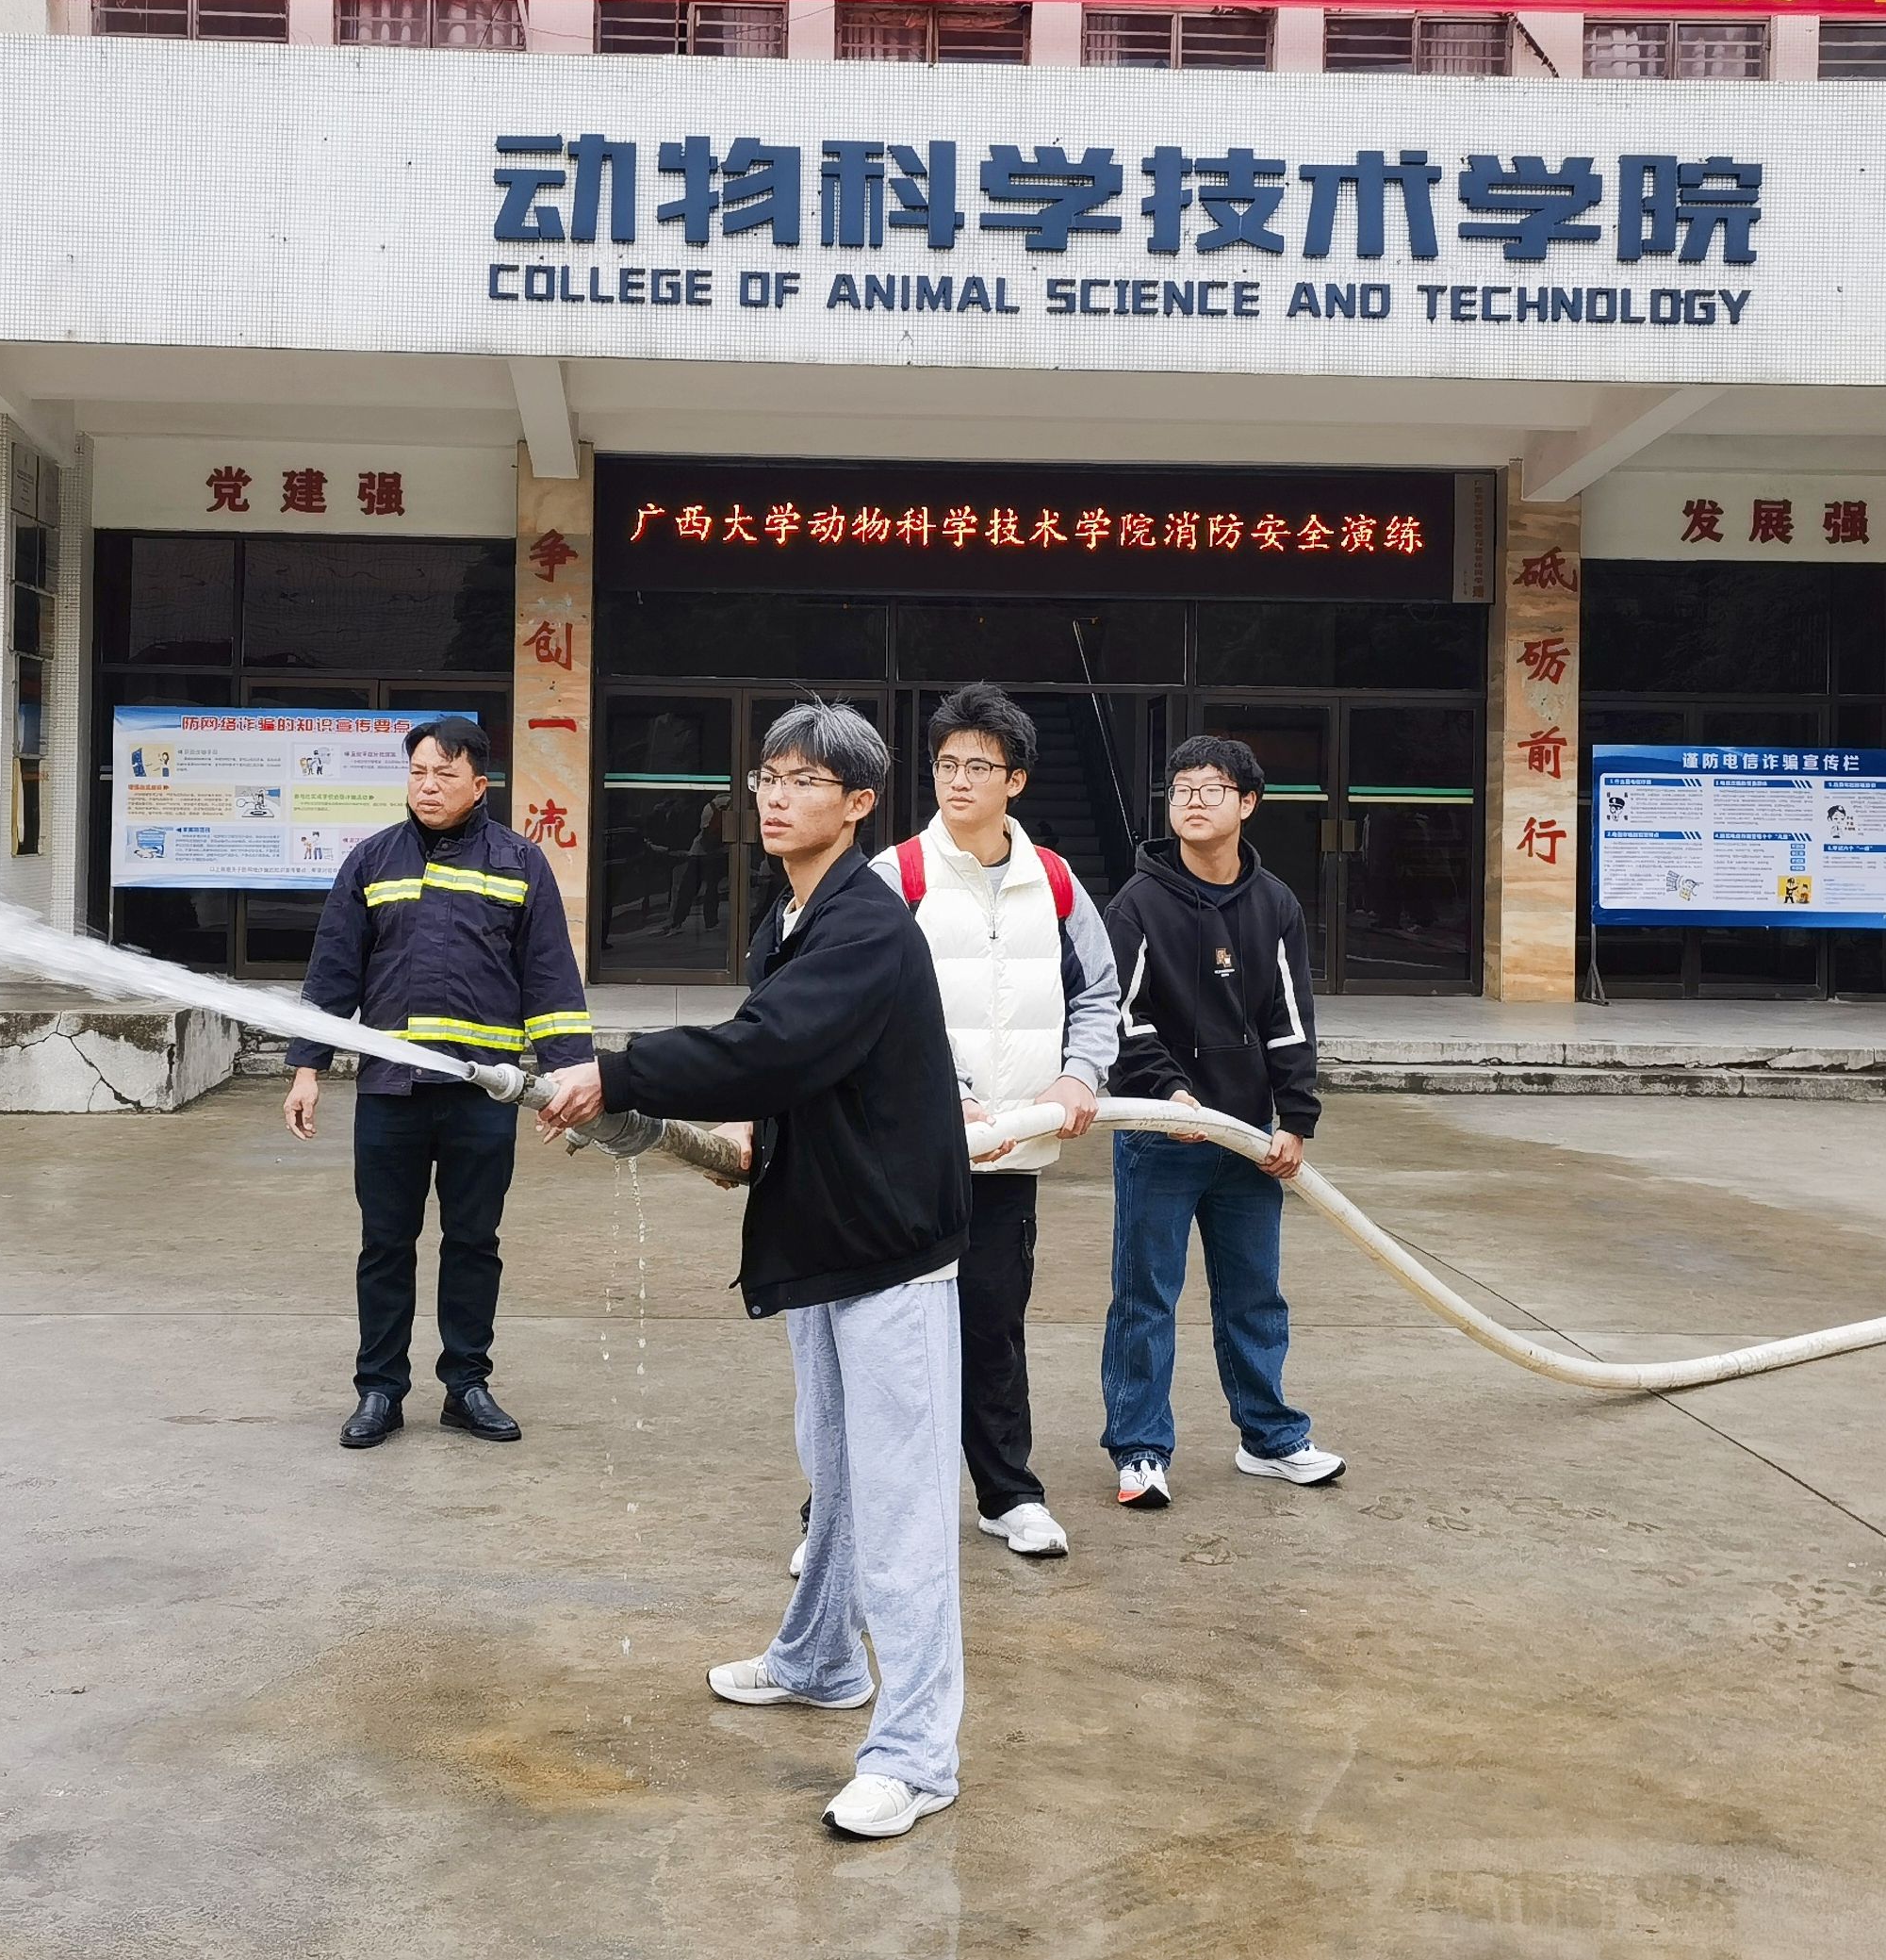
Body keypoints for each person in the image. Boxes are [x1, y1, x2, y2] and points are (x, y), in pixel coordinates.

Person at [538, 701, 971, 1842]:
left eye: (803, 780)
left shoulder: (865, 925)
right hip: (819, 1237)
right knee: (836, 1474)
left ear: (859, 804)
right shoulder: (791, 916)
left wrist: (620, 1073)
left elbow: (774, 1047)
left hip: (886, 1251)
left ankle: (916, 1756)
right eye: (766, 776)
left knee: (903, 1514)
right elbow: (790, 1071)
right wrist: (729, 1136)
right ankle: (821, 1658)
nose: (775, 797)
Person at [284, 716, 592, 1451]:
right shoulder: (371, 861)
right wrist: (306, 1068)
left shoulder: (519, 863)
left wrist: (568, 1078)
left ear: (479, 784)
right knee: (385, 1243)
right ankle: (380, 1390)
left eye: (444, 775)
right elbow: (333, 970)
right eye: (418, 772)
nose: (427, 786)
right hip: (390, 1093)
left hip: (483, 1098)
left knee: (474, 1241)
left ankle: (466, 1385)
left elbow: (549, 976)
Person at [882, 684, 1121, 1561]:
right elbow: (868, 1006)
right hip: (909, 1156)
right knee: (886, 1341)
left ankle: (1009, 1496)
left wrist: (1077, 1074)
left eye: (978, 766)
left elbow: (1099, 991)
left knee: (993, 1330)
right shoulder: (895, 877)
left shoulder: (1052, 880)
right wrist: (939, 1092)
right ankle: (839, 1514)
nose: (958, 780)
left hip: (1011, 1154)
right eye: (946, 764)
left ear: (1015, 779)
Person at [1098, 735, 1344, 1508]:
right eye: (1181, 789)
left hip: (1247, 1138)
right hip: (1160, 1135)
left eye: (1211, 788)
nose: (1193, 801)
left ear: (1247, 802)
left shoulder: (1275, 904)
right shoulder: (1137, 904)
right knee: (1145, 1297)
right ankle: (1140, 1449)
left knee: (1255, 1294)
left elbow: (1288, 1019)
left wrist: (1294, 1115)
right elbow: (1118, 1016)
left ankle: (1269, 1438)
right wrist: (1169, 1094)